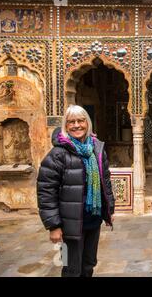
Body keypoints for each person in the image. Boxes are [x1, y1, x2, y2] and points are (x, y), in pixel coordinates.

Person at [37, 105, 115, 277]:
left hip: (93, 219)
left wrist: (109, 209)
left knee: (88, 264)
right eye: (71, 122)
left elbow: (106, 181)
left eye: (81, 121)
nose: (76, 125)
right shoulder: (57, 154)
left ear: (87, 123)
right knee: (70, 268)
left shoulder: (96, 149)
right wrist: (54, 226)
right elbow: (46, 192)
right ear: (65, 126)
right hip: (68, 224)